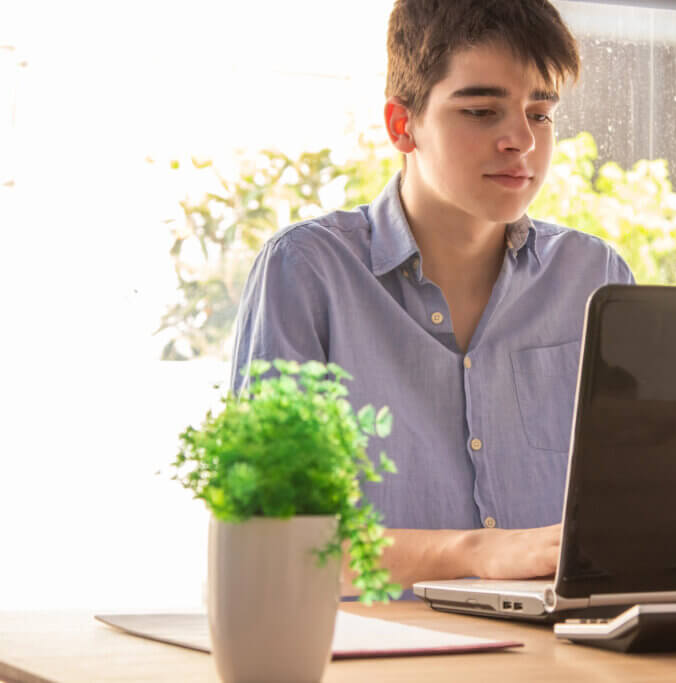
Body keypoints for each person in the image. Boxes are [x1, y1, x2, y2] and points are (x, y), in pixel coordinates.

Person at [230, 0, 634, 594]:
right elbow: (268, 544)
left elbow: (640, 509)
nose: (522, 140)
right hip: (378, 641)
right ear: (403, 125)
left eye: (541, 114)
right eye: (481, 111)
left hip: (561, 640)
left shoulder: (595, 275)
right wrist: (474, 552)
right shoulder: (307, 272)